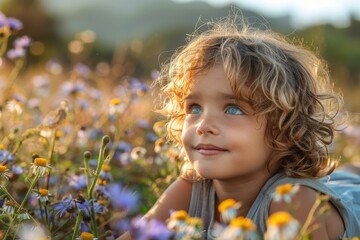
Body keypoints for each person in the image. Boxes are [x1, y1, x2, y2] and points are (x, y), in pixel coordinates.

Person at [118, 16, 360, 239]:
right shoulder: (192, 187)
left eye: (233, 109)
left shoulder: (294, 202)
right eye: (194, 108)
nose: (203, 125)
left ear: (286, 130)